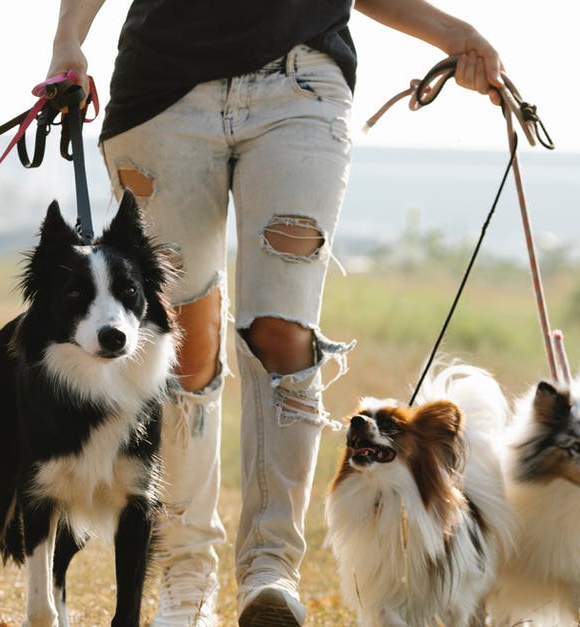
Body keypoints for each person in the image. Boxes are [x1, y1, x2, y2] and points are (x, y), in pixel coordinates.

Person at [46, 1, 506, 625]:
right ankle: (184, 573)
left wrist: (458, 34)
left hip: (302, 87)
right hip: (162, 89)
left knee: (284, 331)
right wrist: (68, 42)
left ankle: (270, 567)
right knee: (178, 339)